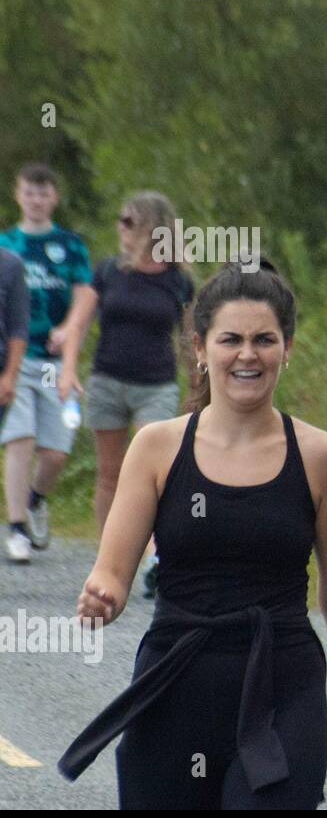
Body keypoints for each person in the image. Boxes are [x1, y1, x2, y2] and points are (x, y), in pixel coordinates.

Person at [59, 259, 327, 809]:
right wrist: (103, 597)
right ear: (201, 349)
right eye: (231, 339)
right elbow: (112, 571)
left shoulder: (323, 456)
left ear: (288, 348)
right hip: (174, 680)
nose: (248, 355)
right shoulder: (158, 447)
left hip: (282, 681)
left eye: (265, 340)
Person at [85, 191, 195, 596]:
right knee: (110, 474)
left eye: (128, 221)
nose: (120, 227)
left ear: (153, 226)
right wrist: (63, 366)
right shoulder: (109, 271)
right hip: (107, 379)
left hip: (157, 385)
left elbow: (190, 338)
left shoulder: (178, 280)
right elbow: (81, 318)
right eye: (120, 219)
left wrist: (198, 386)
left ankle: (155, 557)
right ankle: (108, 562)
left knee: (154, 473)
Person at [0, 163, 95, 563]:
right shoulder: (7, 245)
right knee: (19, 438)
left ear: (53, 197)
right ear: (18, 195)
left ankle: (35, 500)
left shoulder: (70, 245)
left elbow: (86, 295)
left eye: (43, 193)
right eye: (29, 192)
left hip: (57, 361)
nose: (36, 200)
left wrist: (69, 329)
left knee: (56, 450)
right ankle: (17, 526)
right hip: (15, 358)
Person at [0, 247, 29, 434]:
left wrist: (10, 376)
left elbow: (18, 327)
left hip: (46, 366)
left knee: (54, 453)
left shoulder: (10, 264)